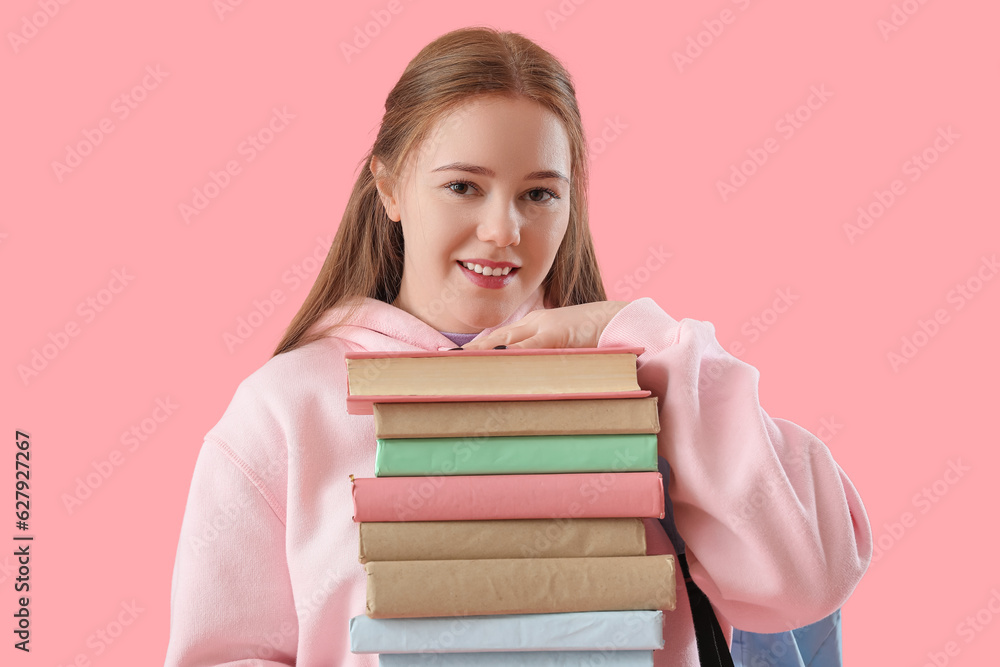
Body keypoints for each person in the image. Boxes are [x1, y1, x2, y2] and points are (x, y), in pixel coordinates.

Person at [164, 26, 872, 666]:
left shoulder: (648, 378)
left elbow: (806, 581)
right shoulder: (283, 413)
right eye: (464, 186)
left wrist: (648, 338)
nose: (504, 229)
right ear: (389, 185)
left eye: (539, 195)